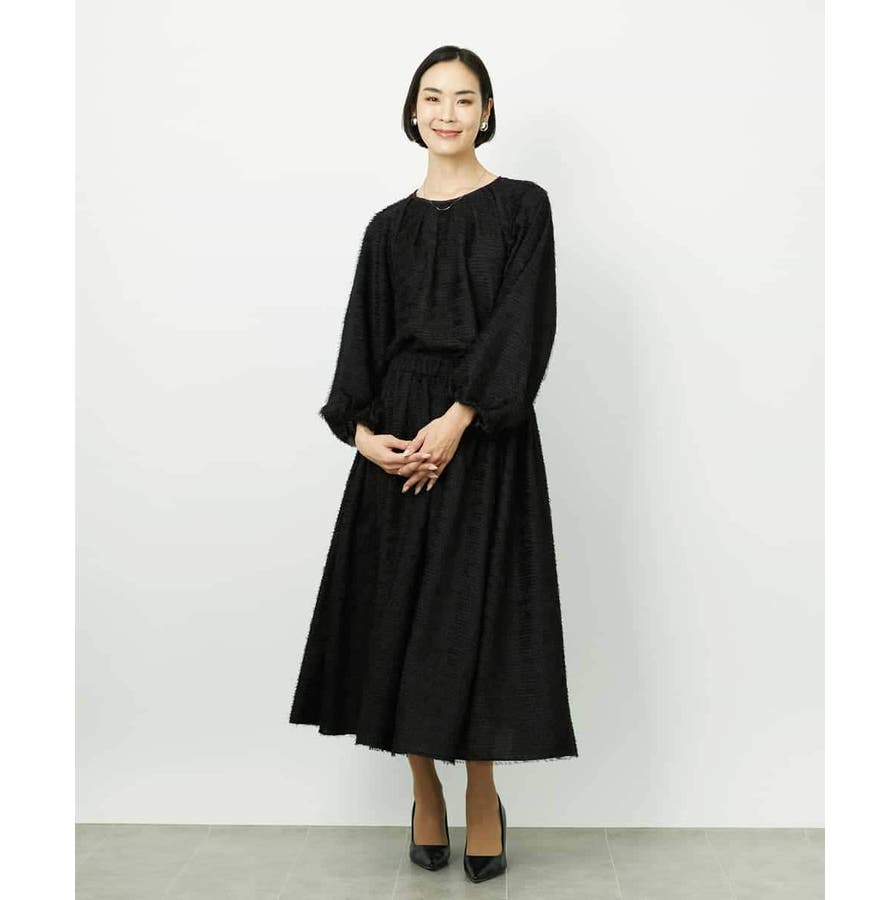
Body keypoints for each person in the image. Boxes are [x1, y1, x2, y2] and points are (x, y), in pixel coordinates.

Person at [288, 45, 578, 884]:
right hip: (397, 443)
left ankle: (482, 793)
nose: (447, 112)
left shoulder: (523, 207)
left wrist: (461, 417)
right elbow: (363, 337)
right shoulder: (388, 228)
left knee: (473, 619)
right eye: (433, 97)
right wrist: (361, 436)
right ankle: (423, 789)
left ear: (487, 112)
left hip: (483, 436)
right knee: (395, 621)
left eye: (464, 98)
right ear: (412, 111)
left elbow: (526, 322)